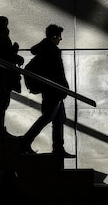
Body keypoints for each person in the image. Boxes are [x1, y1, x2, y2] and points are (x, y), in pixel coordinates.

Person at [19, 24, 74, 158]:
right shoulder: (52, 50)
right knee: (49, 117)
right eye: (59, 37)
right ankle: (26, 141)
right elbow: (57, 72)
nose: (60, 39)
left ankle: (58, 148)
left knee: (58, 118)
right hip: (54, 90)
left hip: (50, 89)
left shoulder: (44, 48)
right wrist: (64, 87)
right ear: (54, 36)